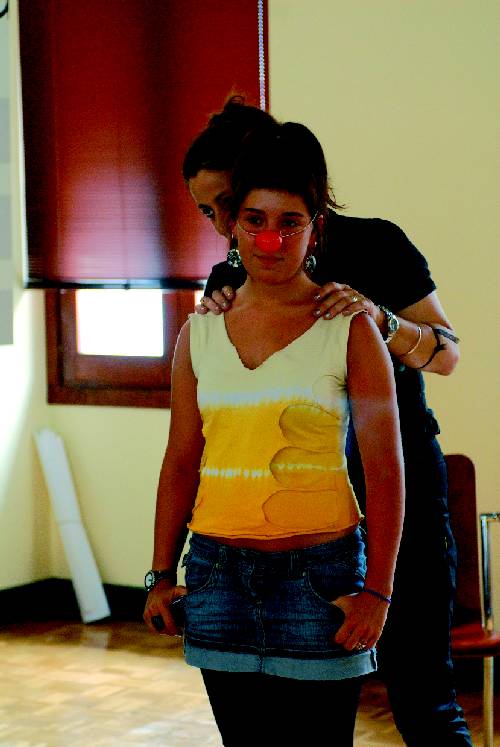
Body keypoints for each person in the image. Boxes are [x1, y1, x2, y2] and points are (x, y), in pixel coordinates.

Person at [182, 97, 470, 747]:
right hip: (297, 523)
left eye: (226, 203)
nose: (224, 226)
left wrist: (378, 318)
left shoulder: (376, 243)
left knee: (422, 696)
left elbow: (448, 353)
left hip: (396, 492)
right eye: (212, 214)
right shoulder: (228, 278)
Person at [144, 120, 405, 746]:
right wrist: (159, 575)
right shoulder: (199, 332)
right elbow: (180, 459)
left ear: (315, 228)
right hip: (215, 579)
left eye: (290, 222)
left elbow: (385, 469)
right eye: (255, 220)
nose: (271, 239)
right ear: (233, 226)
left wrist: (377, 593)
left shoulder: (350, 328)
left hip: (321, 580)